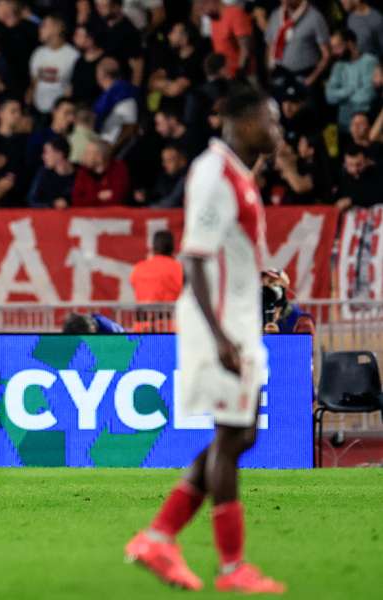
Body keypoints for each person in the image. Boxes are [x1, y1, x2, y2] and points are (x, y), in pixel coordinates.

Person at [124, 84, 286, 594]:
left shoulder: (238, 175)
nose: (277, 131)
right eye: (270, 121)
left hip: (236, 316)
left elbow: (225, 249)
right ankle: (232, 566)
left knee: (240, 435)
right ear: (240, 123)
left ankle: (159, 537)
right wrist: (220, 336)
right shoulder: (214, 173)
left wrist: (257, 275)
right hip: (220, 323)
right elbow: (194, 256)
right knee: (233, 435)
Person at [325, 29, 378, 133]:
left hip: (365, 122)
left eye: (337, 47)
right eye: (333, 48)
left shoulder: (370, 61)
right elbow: (329, 96)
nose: (334, 52)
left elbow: (367, 95)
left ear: (349, 44)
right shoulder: (338, 66)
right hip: (344, 125)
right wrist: (350, 90)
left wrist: (341, 97)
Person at [130, 230, 183, 303]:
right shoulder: (177, 268)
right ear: (173, 248)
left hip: (143, 313)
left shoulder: (138, 268)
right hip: (170, 313)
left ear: (153, 248)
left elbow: (134, 284)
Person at [261, 269, 314, 334]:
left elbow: (303, 343)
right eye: (263, 283)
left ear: (284, 287)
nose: (266, 288)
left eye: (271, 282)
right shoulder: (254, 317)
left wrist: (275, 337)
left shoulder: (301, 319)